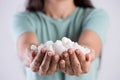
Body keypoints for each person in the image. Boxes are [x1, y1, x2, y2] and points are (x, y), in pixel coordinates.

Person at [11, 0, 109, 80]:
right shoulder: (23, 18)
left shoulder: (96, 16)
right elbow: (25, 45)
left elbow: (89, 44)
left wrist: (86, 54)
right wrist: (30, 55)